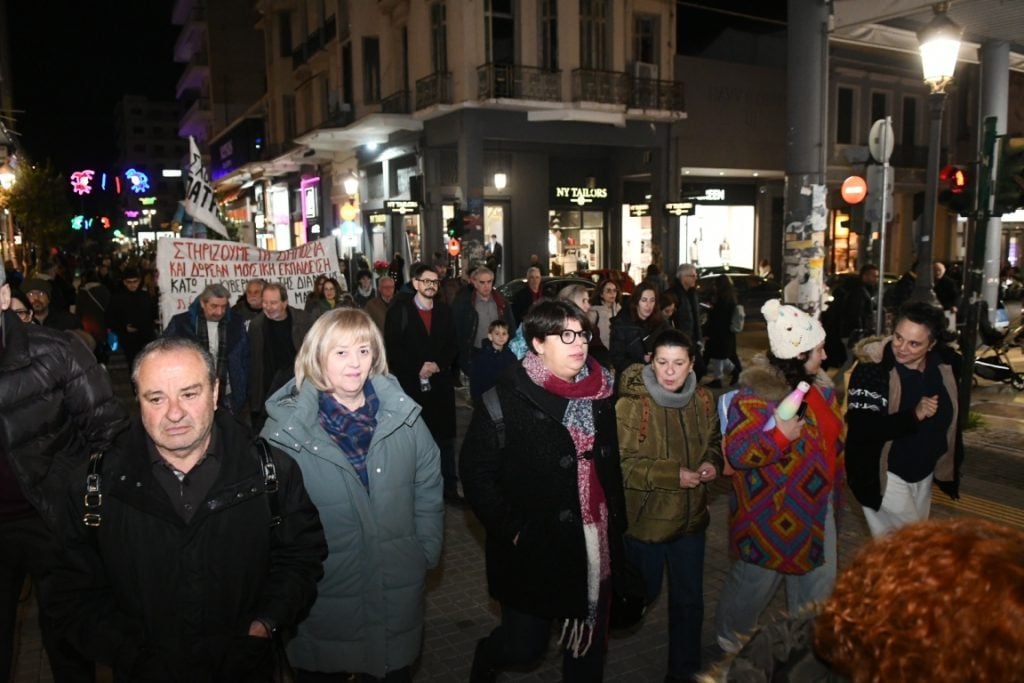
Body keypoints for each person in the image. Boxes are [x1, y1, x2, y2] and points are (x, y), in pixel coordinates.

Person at [50, 337, 326, 681]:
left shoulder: (270, 472)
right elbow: (71, 591)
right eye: (156, 398)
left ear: (214, 394)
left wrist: (264, 625)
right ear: (138, 400)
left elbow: (301, 556)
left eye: (189, 394)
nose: (174, 412)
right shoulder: (95, 485)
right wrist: (129, 654)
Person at [261, 308, 444, 682]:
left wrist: (424, 548)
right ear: (317, 357)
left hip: (395, 592)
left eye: (364, 350)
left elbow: (428, 482)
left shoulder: (403, 417)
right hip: (323, 602)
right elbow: (268, 523)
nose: (355, 363)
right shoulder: (285, 433)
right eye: (341, 352)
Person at [461, 300, 626, 682]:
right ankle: (487, 656)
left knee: (587, 648)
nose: (578, 344)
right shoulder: (503, 398)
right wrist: (515, 529)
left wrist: (617, 523)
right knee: (525, 646)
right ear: (537, 343)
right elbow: (475, 475)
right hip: (533, 547)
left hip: (592, 543)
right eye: (565, 335)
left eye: (582, 333)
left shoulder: (602, 392)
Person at [0, 266, 129, 682]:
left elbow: (108, 432)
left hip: (53, 520)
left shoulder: (56, 351)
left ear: (4, 297)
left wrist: (80, 503)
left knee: (69, 642)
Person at [715, 299, 844, 654]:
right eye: (819, 348)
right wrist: (778, 437)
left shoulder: (822, 389)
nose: (825, 353)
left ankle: (803, 648)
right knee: (755, 581)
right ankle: (731, 640)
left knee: (818, 581)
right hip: (770, 513)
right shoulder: (755, 397)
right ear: (800, 355)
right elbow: (740, 453)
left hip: (818, 509)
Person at [616, 329, 723, 682]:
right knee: (637, 598)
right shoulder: (632, 404)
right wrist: (670, 474)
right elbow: (620, 464)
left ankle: (683, 672)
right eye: (663, 362)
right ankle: (585, 639)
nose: (670, 371)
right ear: (651, 361)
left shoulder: (704, 400)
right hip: (647, 526)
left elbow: (714, 442)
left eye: (679, 363)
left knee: (690, 603)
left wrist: (712, 463)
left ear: (692, 364)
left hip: (691, 523)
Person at [845, 302, 959, 537]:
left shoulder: (942, 367)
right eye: (898, 337)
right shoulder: (872, 369)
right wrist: (914, 415)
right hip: (886, 476)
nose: (902, 348)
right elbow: (862, 427)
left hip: (923, 474)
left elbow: (950, 422)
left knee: (899, 552)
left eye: (914, 343)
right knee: (912, 546)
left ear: (932, 345)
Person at [384, 264, 462, 505]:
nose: (430, 285)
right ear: (415, 283)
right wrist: (418, 366)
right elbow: (392, 347)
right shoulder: (400, 311)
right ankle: (416, 492)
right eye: (426, 280)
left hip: (440, 386)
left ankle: (449, 489)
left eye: (435, 281)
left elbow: (453, 344)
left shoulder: (445, 311)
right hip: (411, 386)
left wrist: (438, 364)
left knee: (445, 441)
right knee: (414, 440)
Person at [163, 283, 250, 416]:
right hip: (191, 389)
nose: (220, 312)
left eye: (223, 307)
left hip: (228, 393)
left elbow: (245, 357)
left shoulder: (236, 323)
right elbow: (164, 353)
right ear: (203, 303)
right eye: (214, 306)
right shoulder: (182, 323)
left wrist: (243, 387)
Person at [248, 283, 313, 430]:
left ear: (284, 302)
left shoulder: (303, 320)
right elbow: (254, 365)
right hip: (270, 389)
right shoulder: (256, 326)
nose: (268, 307)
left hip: (300, 385)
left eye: (273, 302)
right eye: (265, 302)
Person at [453, 266, 516, 376]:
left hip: (499, 352)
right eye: (482, 282)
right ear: (474, 283)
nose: (486, 286)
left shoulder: (501, 302)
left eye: (489, 282)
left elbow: (510, 326)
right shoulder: (464, 303)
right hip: (476, 352)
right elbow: (458, 331)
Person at [609, 281, 671, 377]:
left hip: (658, 377)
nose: (648, 305)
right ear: (636, 302)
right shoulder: (622, 324)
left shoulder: (661, 323)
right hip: (631, 381)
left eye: (652, 300)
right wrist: (642, 359)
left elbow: (672, 345)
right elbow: (617, 359)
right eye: (644, 300)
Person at [109, 268, 158, 371]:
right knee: (134, 366)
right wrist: (123, 328)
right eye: (129, 282)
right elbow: (111, 318)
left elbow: (153, 314)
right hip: (129, 339)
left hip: (146, 336)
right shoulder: (117, 298)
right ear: (124, 282)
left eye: (135, 281)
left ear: (139, 281)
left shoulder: (145, 296)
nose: (132, 285)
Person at [667, 264, 705, 380]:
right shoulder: (673, 294)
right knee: (694, 369)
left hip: (692, 339)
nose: (695, 278)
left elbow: (695, 318)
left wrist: (699, 338)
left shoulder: (692, 293)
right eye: (692, 276)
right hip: (681, 340)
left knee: (699, 369)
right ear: (683, 277)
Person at [557, 282, 609, 368]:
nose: (588, 306)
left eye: (588, 301)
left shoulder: (591, 329)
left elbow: (600, 355)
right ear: (571, 302)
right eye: (583, 301)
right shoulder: (556, 330)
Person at [704, 274, 741, 388]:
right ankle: (729, 374)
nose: (714, 286)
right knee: (720, 356)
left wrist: (711, 311)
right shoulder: (729, 297)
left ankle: (726, 376)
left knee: (718, 356)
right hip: (725, 334)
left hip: (720, 334)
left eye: (716, 284)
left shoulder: (723, 300)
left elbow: (719, 318)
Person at [468, 319, 517, 403]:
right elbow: (475, 380)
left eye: (504, 333)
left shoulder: (511, 356)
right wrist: (476, 400)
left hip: (505, 398)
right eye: (497, 333)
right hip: (487, 398)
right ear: (490, 336)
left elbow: (514, 379)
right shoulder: (481, 357)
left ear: (508, 336)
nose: (501, 337)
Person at [591, 277, 622, 349]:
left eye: (615, 291)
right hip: (601, 353)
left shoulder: (619, 310)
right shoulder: (594, 312)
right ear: (601, 294)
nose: (612, 293)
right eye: (608, 291)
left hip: (617, 352)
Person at [932, 261, 959, 330]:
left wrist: (955, 306)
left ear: (943, 271)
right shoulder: (930, 281)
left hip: (946, 309)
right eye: (935, 270)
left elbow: (955, 296)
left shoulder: (949, 282)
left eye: (939, 270)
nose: (938, 272)